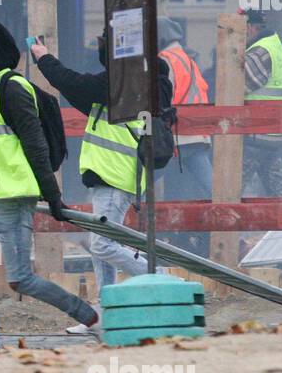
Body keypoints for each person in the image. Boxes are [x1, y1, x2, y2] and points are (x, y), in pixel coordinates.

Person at [0, 19, 98, 348]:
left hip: (13, 200)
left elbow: (35, 145)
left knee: (19, 279)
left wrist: (53, 196)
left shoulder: (12, 87)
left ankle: (87, 315)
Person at [29, 32, 173, 292]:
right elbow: (78, 90)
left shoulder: (127, 81)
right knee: (101, 246)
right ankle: (106, 309)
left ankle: (161, 276)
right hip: (110, 173)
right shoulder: (137, 79)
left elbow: (75, 84)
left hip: (117, 175)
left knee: (102, 245)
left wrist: (44, 59)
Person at [156, 18, 212, 256]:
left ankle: (119, 220)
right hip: (195, 134)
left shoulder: (165, 61)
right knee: (212, 190)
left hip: (177, 135)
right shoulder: (187, 58)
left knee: (140, 180)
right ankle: (213, 234)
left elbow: (162, 97)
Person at [241, 8, 282, 197]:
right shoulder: (274, 45)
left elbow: (238, 87)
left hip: (256, 132)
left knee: (230, 188)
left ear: (251, 27)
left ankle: (222, 226)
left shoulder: (259, 51)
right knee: (278, 190)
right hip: (272, 131)